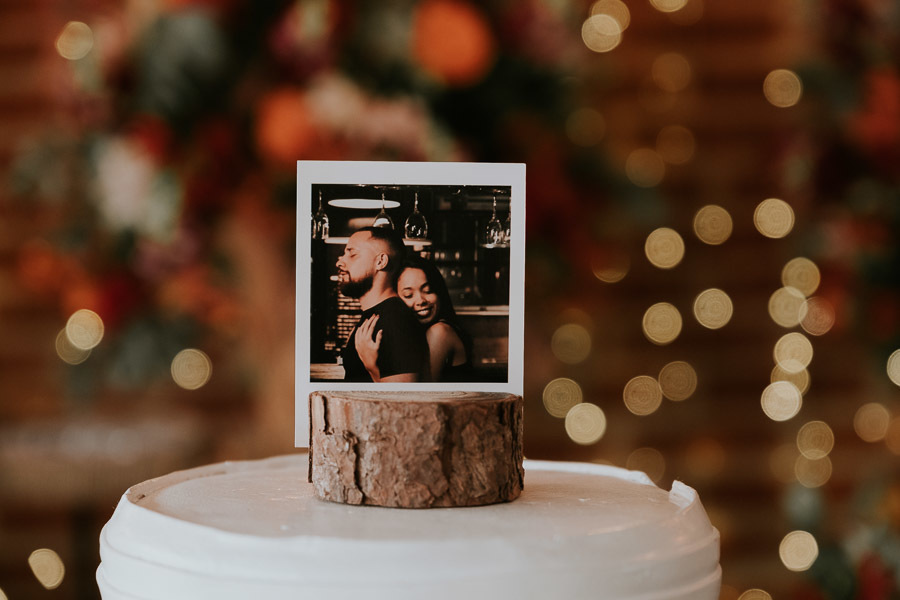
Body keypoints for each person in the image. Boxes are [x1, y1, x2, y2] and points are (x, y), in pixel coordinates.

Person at [356, 254, 472, 382]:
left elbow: (418, 398)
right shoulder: (415, 334)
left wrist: (372, 367)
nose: (421, 300)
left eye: (428, 291)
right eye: (408, 295)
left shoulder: (439, 332)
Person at [336, 226, 427, 382]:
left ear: (381, 261)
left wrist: (372, 367)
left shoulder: (395, 321)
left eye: (352, 254)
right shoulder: (377, 316)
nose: (340, 262)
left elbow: (404, 402)